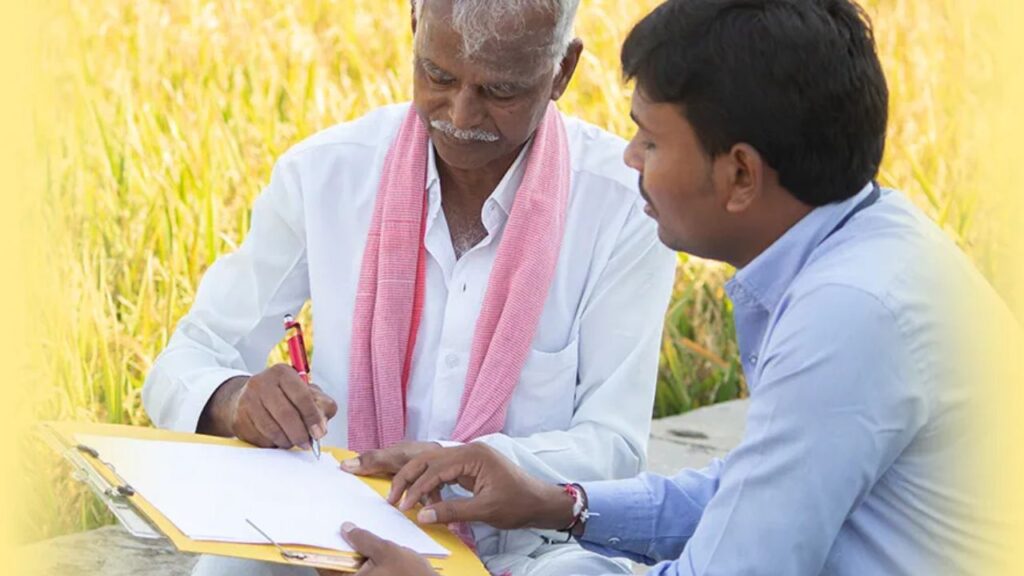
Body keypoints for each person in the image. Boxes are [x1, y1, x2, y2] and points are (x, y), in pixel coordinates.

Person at [333, 0, 1012, 574]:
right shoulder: (870, 245)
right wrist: (559, 504)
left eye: (651, 142)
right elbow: (744, 496)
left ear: (740, 175)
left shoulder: (851, 315)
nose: (630, 158)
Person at [141, 1, 677, 575]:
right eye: (438, 76)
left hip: (525, 550)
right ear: (416, 28)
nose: (461, 115)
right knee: (231, 567)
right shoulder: (326, 174)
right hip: (336, 529)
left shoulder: (624, 206)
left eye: (500, 90)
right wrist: (235, 400)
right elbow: (187, 360)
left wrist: (463, 463)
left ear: (562, 71)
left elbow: (614, 445)